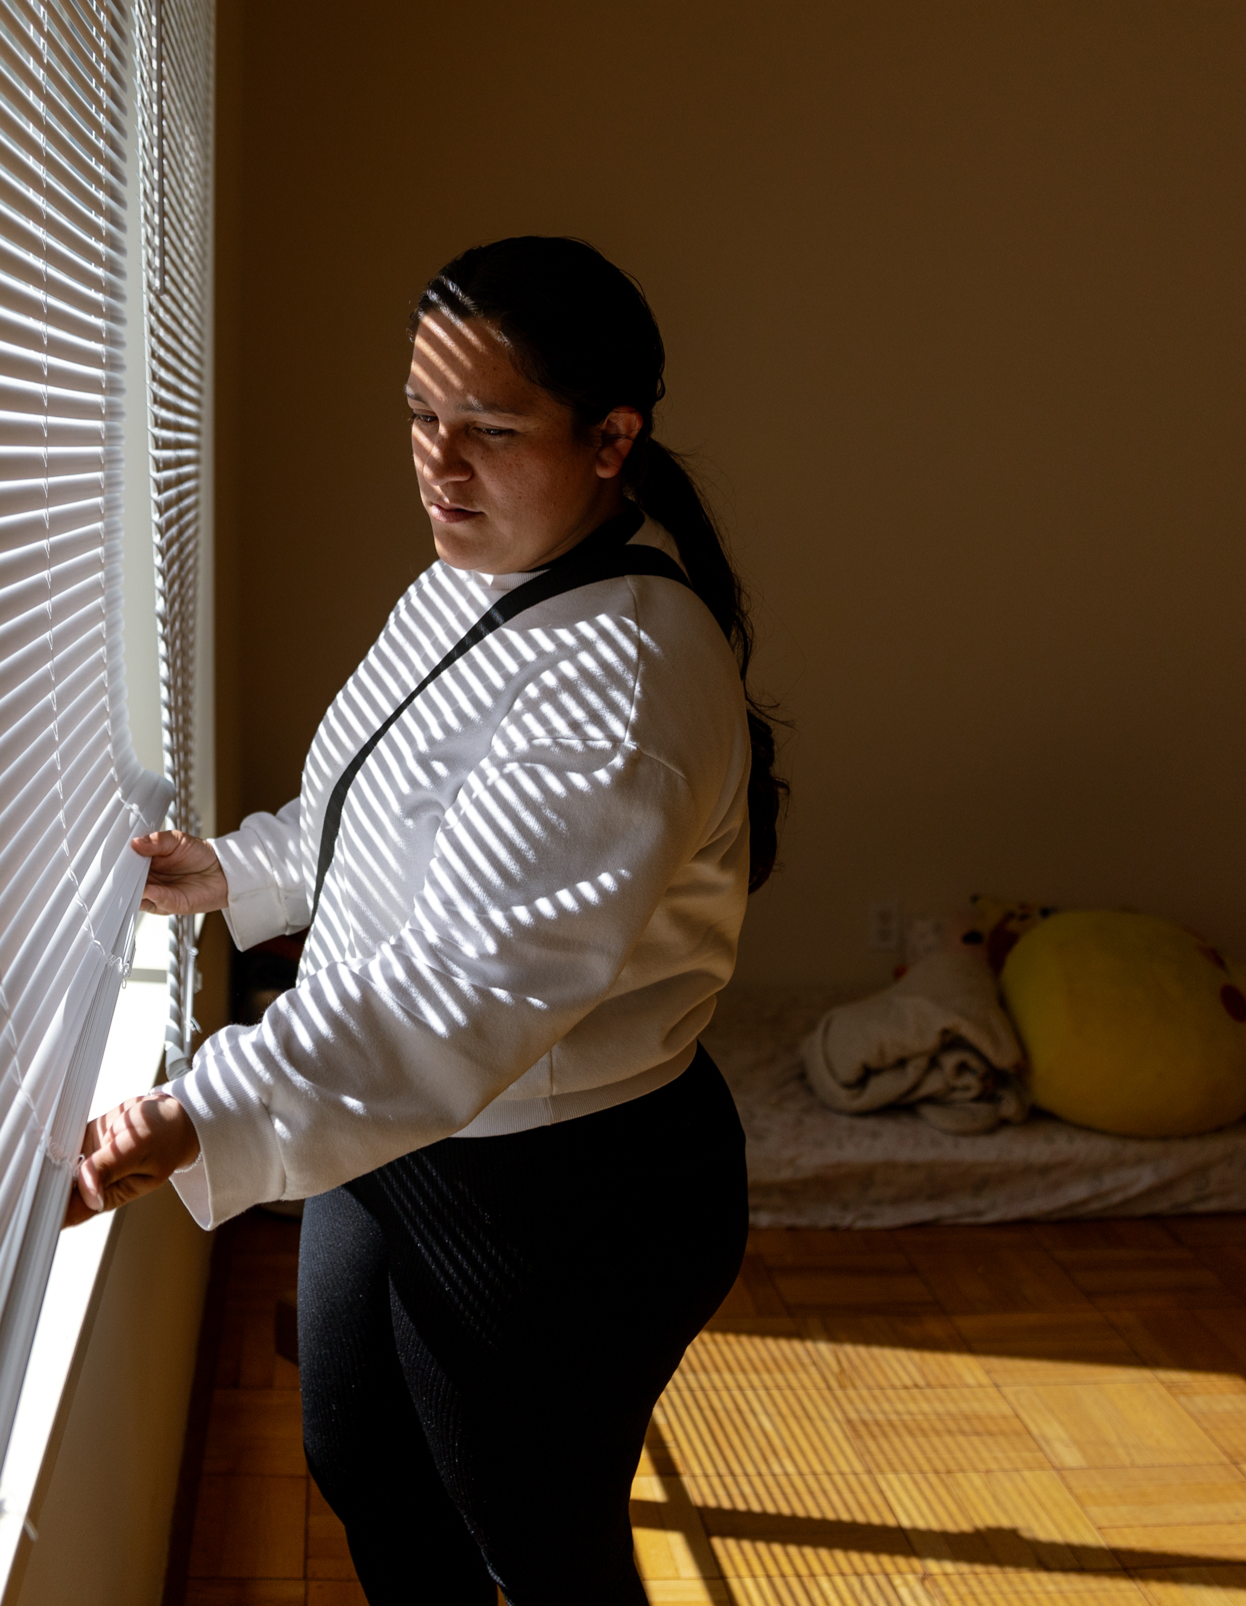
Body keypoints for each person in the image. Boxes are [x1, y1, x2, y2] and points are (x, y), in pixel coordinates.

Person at [65, 236, 782, 1605]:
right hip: (403, 1125)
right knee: (367, 1465)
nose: (437, 464)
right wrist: (228, 870)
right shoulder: (474, 574)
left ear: (610, 437)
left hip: (564, 1186)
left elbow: (461, 981)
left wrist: (193, 1111)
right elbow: (370, 809)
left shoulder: (619, 677)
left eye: (489, 430)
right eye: (420, 416)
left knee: (531, 1538)